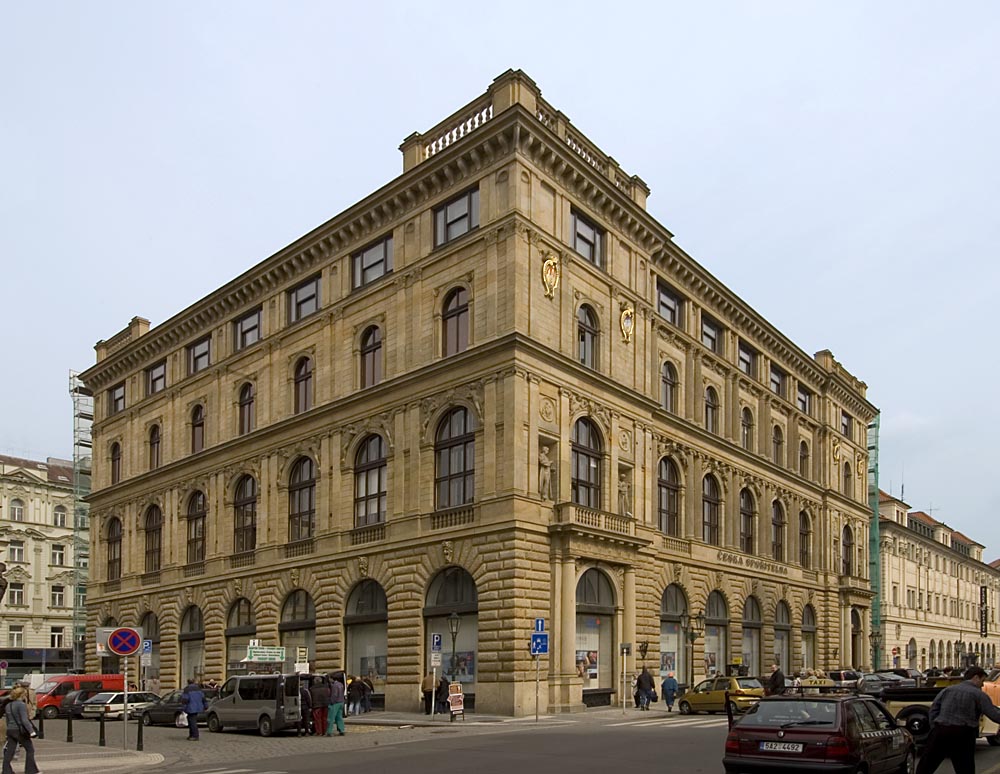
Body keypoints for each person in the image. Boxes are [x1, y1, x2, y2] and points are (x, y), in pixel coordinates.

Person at [917, 666, 1000, 774]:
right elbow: (993, 714)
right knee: (964, 767)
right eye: (982, 680)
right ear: (976, 678)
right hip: (963, 734)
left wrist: (935, 727)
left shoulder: (947, 690)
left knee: (927, 765)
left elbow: (933, 710)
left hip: (940, 731)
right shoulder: (979, 694)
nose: (983, 684)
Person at [2, 685, 39, 774]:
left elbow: (8, 719)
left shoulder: (8, 705)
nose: (25, 695)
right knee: (30, 750)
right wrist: (32, 731)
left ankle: (6, 770)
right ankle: (30, 770)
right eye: (24, 694)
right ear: (21, 695)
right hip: (19, 731)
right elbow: (24, 720)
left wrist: (8, 731)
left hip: (10, 730)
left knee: (9, 752)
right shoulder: (21, 705)